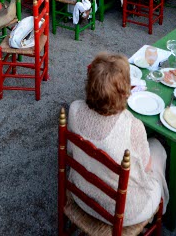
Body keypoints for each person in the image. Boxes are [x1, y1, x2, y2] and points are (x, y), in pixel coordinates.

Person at [67, 53, 167, 225]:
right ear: (125, 90)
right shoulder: (132, 125)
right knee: (158, 149)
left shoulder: (74, 109)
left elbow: (70, 150)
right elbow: (146, 167)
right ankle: (161, 208)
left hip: (81, 193)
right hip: (121, 212)